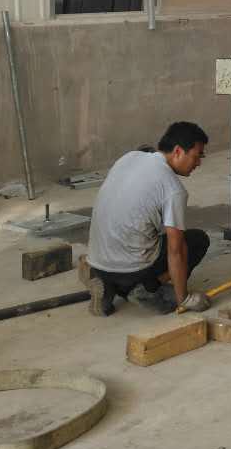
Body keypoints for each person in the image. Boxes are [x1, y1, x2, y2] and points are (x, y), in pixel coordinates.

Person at [84, 122, 212, 317]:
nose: (198, 163)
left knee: (145, 233)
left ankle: (106, 285)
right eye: (197, 156)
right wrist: (184, 299)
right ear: (178, 151)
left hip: (98, 261)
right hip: (132, 271)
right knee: (196, 240)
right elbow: (176, 251)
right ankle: (147, 288)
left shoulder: (129, 158)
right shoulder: (173, 189)